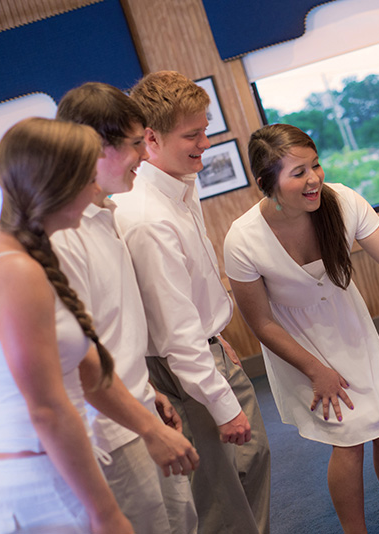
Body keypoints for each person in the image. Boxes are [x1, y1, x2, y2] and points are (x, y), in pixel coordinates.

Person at [223, 123, 379, 534]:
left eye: (315, 165)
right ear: (267, 183)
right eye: (298, 172)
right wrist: (317, 371)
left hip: (350, 329)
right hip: (297, 346)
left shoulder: (344, 201)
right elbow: (260, 323)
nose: (314, 178)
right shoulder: (242, 239)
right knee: (348, 440)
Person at [113, 70, 270, 534]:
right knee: (222, 502)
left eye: (205, 129)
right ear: (151, 138)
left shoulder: (181, 186)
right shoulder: (146, 217)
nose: (206, 142)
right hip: (184, 364)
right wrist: (223, 403)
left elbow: (187, 295)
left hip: (207, 349)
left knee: (252, 461)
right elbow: (176, 334)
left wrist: (217, 337)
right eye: (193, 135)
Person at [52, 81, 200, 534]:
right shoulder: (63, 236)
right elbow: (76, 359)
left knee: (183, 524)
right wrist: (145, 424)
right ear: (96, 147)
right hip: (111, 432)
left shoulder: (104, 214)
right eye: (137, 144)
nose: (144, 154)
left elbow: (106, 330)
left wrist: (146, 391)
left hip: (138, 406)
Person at [0, 117, 133, 533]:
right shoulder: (14, 271)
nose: (95, 188)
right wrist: (107, 514)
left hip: (43, 474)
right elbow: (46, 410)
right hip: (39, 490)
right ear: (57, 186)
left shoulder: (7, 252)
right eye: (87, 178)